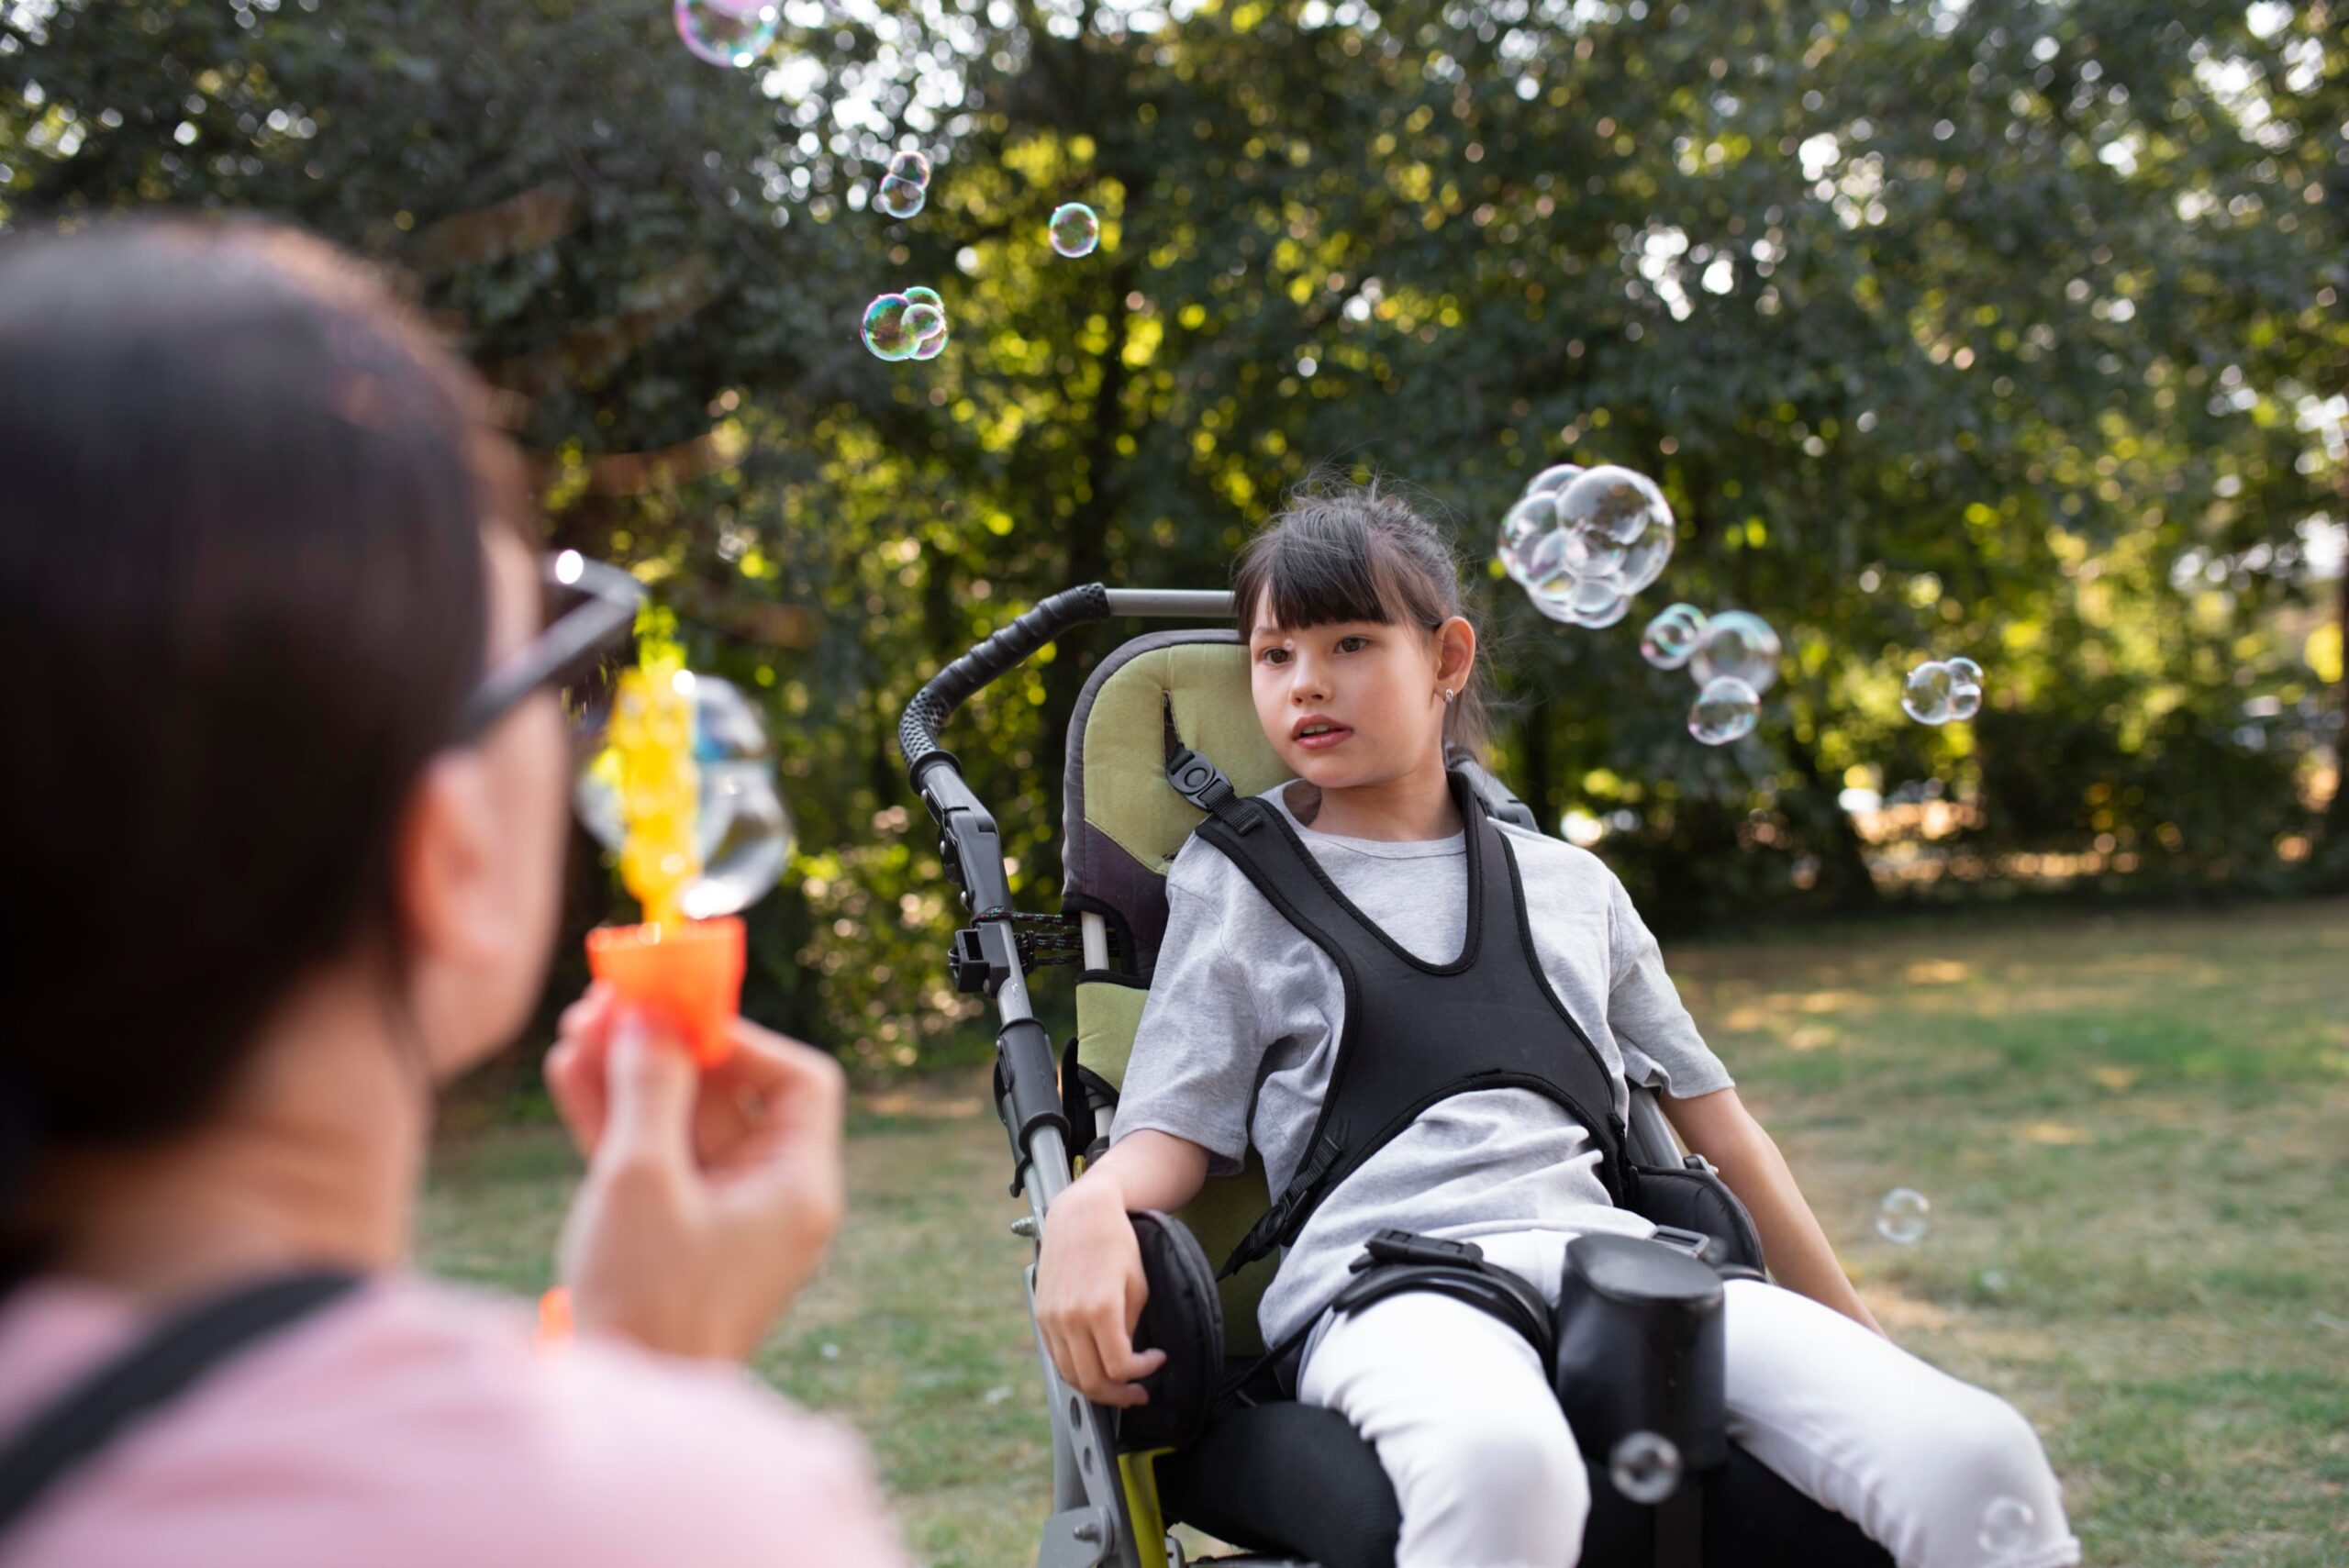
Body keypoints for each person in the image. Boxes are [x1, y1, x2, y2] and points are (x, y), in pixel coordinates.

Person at [0, 218, 907, 1567]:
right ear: (449, 862)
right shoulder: (688, 1520)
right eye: (540, 665)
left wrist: (623, 1375)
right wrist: (650, 1414)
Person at [1035, 482, 2082, 1568]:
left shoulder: (1574, 886)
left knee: (1972, 1451)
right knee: (1503, 1465)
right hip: (1391, 1285)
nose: (1306, 681)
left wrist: (1861, 1342)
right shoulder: (1239, 883)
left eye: (1349, 641)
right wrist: (1089, 1203)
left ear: (1446, 659)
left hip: (1622, 1268)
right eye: (1273, 654)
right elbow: (1175, 1126)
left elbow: (1722, 1132)